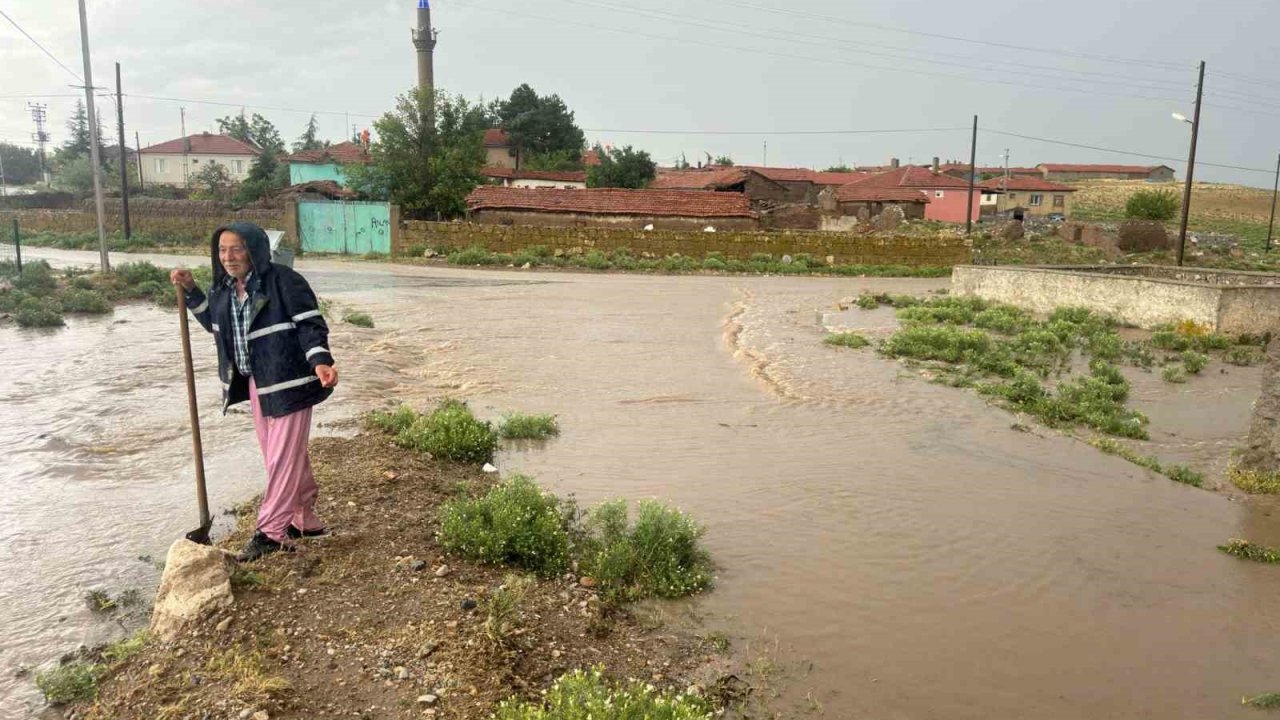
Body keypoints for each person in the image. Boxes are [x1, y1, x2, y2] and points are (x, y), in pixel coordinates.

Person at [170, 222, 338, 562]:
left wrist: (320, 360)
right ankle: (303, 519)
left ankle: (271, 532)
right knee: (282, 457)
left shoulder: (283, 281)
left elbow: (310, 325)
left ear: (254, 249)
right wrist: (191, 292)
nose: (229, 257)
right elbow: (215, 325)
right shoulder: (223, 290)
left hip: (289, 383)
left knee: (281, 459)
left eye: (236, 248)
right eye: (222, 250)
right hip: (257, 385)